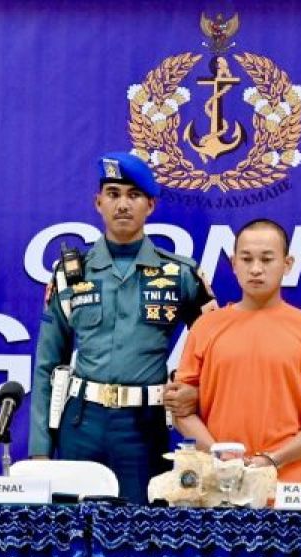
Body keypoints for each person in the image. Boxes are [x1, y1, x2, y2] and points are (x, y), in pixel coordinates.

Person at [29, 151, 217, 503]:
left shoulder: (180, 274)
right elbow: (46, 365)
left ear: (151, 205)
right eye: (113, 194)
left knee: (140, 527)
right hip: (81, 423)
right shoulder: (70, 274)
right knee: (73, 526)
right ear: (98, 203)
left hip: (144, 425)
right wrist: (40, 450)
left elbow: (216, 352)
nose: (123, 205)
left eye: (134, 196)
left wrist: (196, 392)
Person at [171, 219, 301, 482]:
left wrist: (275, 459)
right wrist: (220, 455)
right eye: (246, 259)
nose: (255, 269)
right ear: (233, 263)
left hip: (285, 480)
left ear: (287, 264)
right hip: (216, 480)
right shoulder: (205, 327)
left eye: (266, 259)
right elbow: (181, 410)